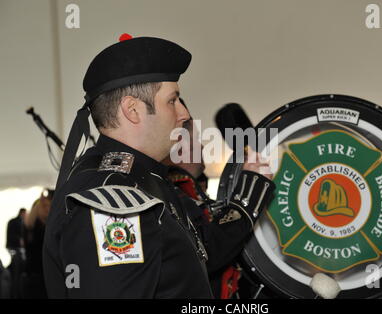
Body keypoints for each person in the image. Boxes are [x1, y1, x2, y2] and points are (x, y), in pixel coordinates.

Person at [43, 34, 273, 299]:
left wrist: (249, 193)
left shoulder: (145, 180)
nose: (184, 114)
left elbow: (200, 254)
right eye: (172, 100)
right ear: (132, 110)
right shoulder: (113, 203)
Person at [163, 105, 274, 298]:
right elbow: (207, 251)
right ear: (178, 147)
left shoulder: (190, 193)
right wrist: (251, 186)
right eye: (197, 140)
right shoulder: (169, 194)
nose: (204, 146)